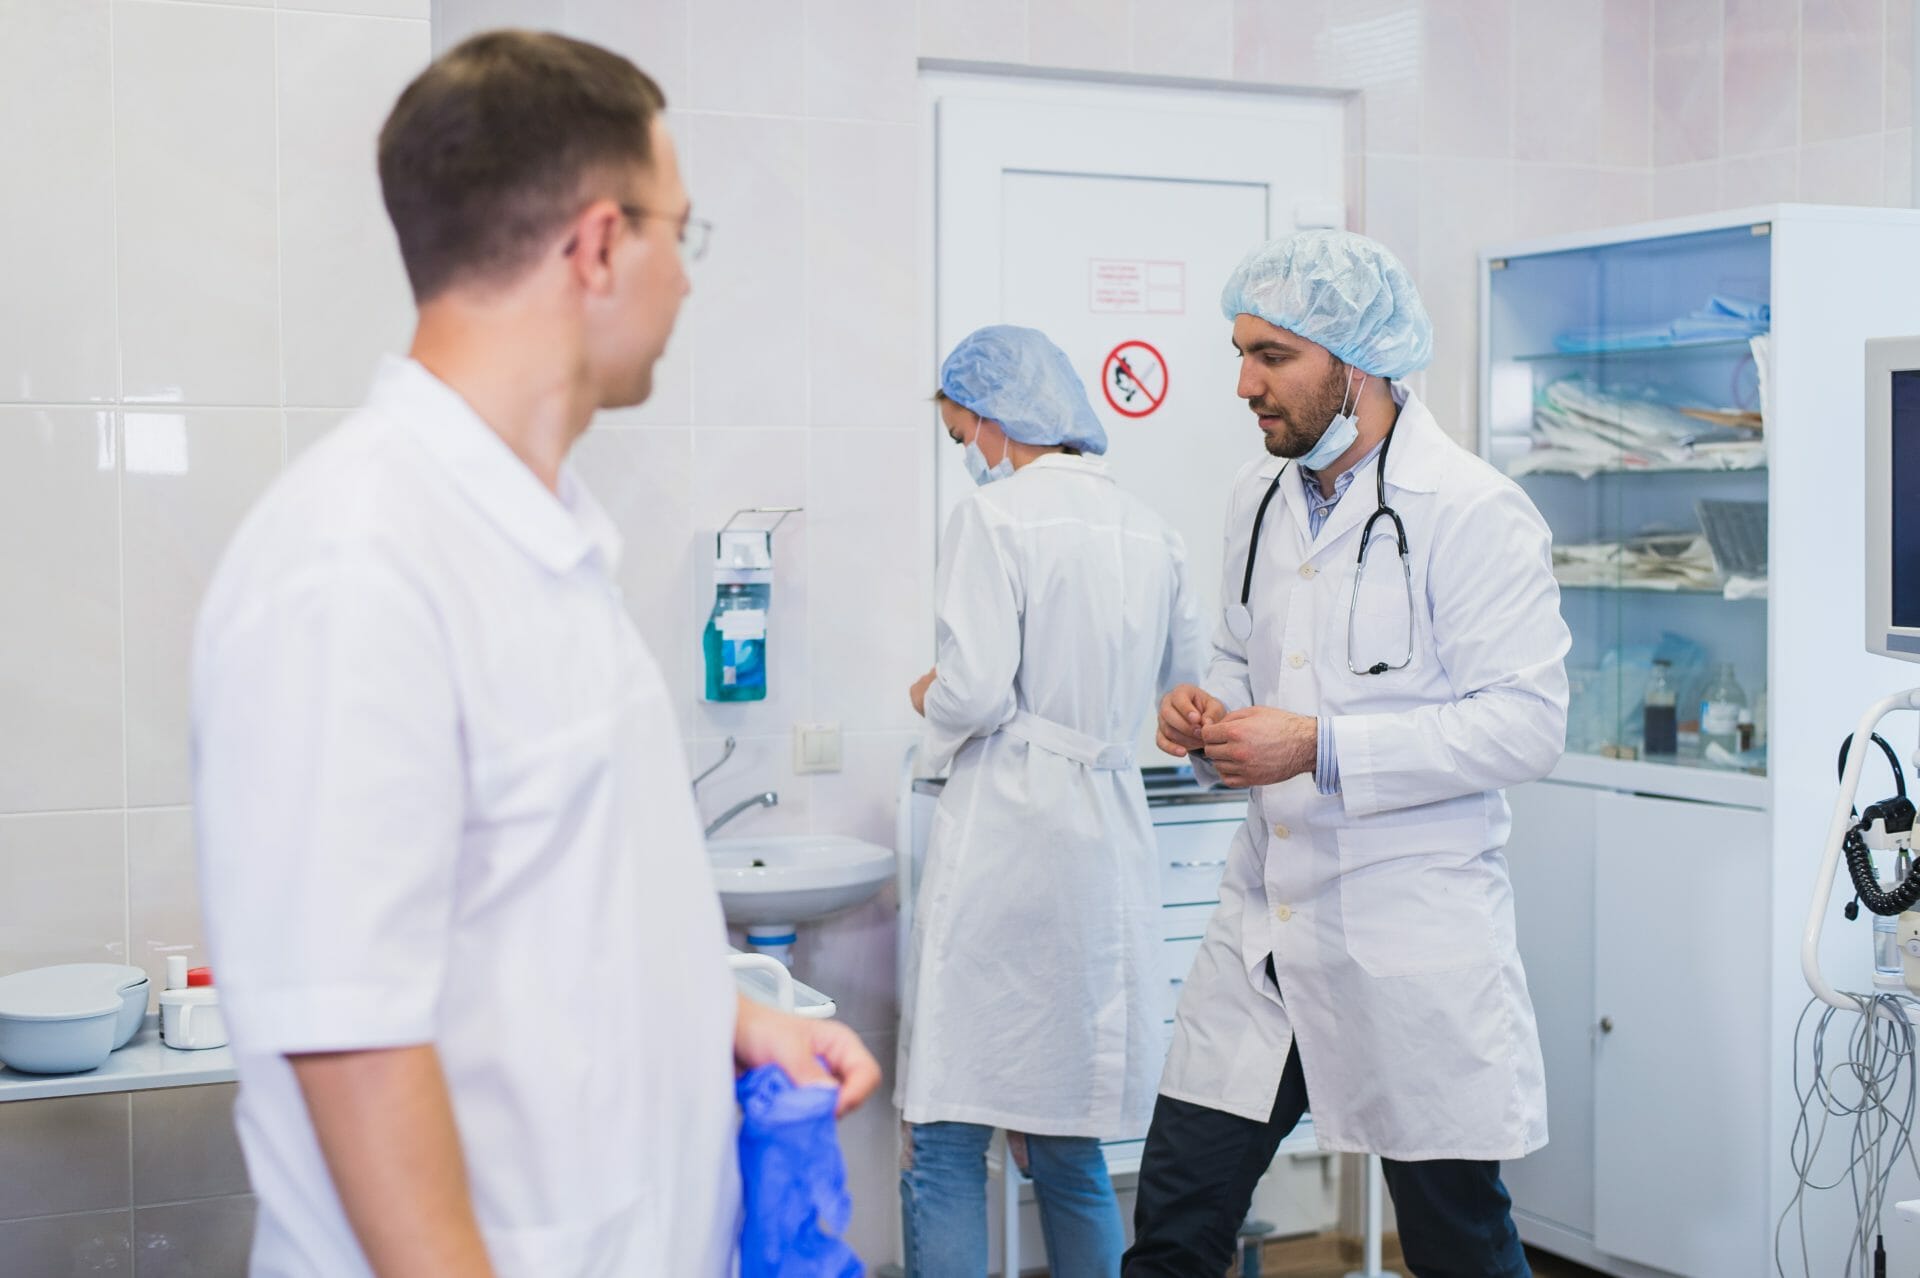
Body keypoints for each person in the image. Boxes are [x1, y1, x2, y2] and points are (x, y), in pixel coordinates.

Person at [191, 31, 877, 1278]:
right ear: (602, 244)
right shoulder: (355, 564)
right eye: (684, 233)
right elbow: (352, 1039)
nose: (686, 277)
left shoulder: (545, 547)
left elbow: (559, 922)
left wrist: (729, 1024)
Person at [1123, 230, 1570, 1278]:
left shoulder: (1473, 512)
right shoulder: (1259, 498)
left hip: (1406, 929)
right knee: (1178, 1224)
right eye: (1241, 353)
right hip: (1264, 932)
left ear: (1356, 361)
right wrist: (1205, 719)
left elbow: (1526, 723)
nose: (1244, 383)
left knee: (1458, 1241)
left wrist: (1320, 748)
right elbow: (1241, 660)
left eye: (1273, 356)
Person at [897, 325, 1206, 1277]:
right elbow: (1189, 702)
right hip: (1108, 838)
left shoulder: (996, 521)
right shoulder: (1154, 529)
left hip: (1010, 834)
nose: (968, 460)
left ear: (994, 421)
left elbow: (978, 690)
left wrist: (928, 696)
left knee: (947, 1136)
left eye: (962, 439)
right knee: (1069, 1141)